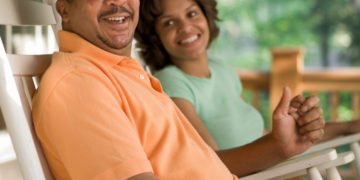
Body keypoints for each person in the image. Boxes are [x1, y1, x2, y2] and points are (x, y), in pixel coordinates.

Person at [32, 0, 324, 179]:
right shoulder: (79, 83)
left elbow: (199, 166)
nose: (117, 2)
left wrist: (279, 145)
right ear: (64, 9)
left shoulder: (128, 76)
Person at [134, 0, 360, 151]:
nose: (185, 27)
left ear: (206, 16)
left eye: (192, 14)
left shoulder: (222, 70)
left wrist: (296, 127)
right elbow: (208, 158)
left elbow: (259, 137)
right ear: (155, 37)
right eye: (169, 22)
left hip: (272, 165)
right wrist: (278, 146)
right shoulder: (170, 81)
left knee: (345, 130)